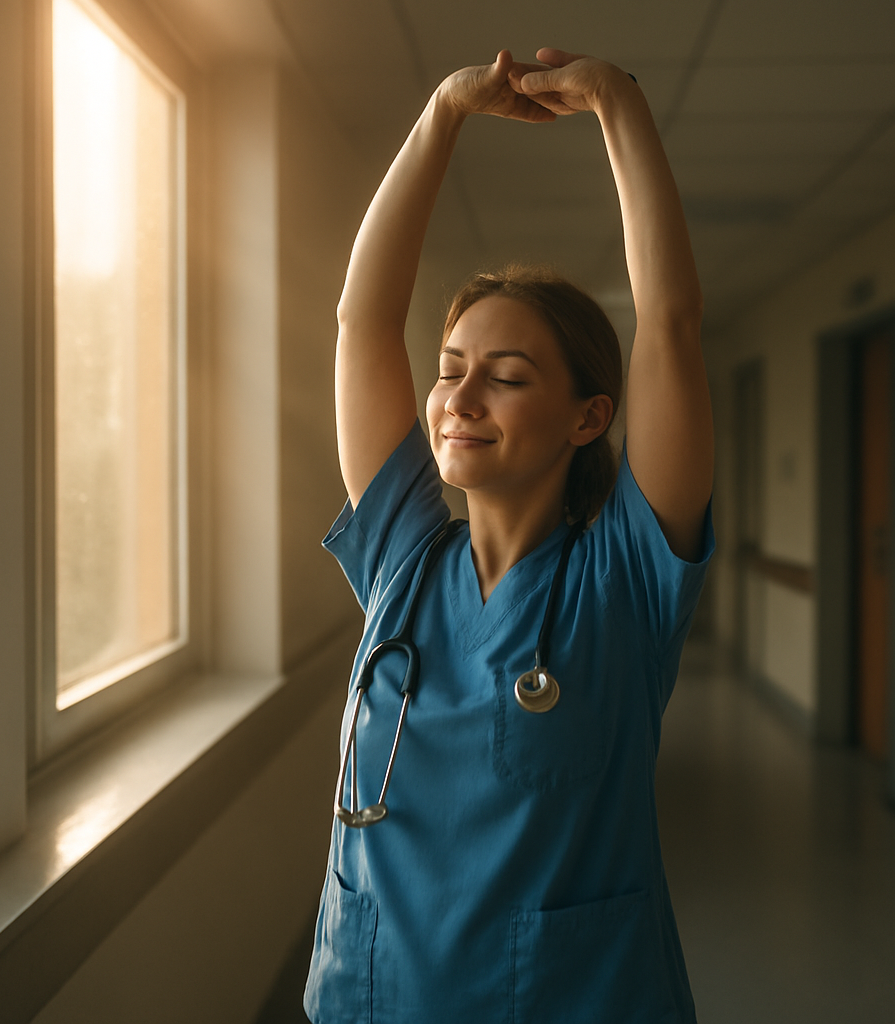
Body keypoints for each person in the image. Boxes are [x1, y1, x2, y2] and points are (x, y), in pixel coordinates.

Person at [304, 47, 715, 1024]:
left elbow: (671, 322)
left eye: (508, 375)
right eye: (450, 368)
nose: (458, 398)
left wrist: (617, 106)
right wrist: (442, 114)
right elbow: (362, 321)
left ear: (587, 417)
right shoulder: (405, 555)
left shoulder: (622, 577)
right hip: (372, 998)